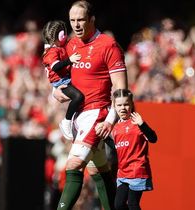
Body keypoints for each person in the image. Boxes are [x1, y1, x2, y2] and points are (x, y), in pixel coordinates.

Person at [53, 1, 128, 209]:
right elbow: (57, 76)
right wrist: (55, 91)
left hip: (97, 114)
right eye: (72, 20)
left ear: (92, 20)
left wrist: (110, 120)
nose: (76, 25)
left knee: (74, 164)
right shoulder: (70, 44)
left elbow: (121, 90)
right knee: (99, 171)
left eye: (81, 20)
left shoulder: (108, 45)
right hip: (78, 116)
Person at [110, 89, 157, 210]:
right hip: (123, 173)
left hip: (137, 171)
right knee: (118, 205)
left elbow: (153, 138)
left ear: (131, 104)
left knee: (132, 204)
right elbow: (116, 148)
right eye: (119, 105)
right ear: (114, 106)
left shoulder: (137, 124)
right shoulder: (115, 127)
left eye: (126, 104)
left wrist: (142, 124)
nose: (123, 108)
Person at [42, 20, 84, 140]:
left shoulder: (58, 47)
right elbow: (55, 66)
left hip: (65, 79)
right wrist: (70, 60)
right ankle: (67, 121)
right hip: (61, 82)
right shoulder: (52, 51)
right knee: (78, 97)